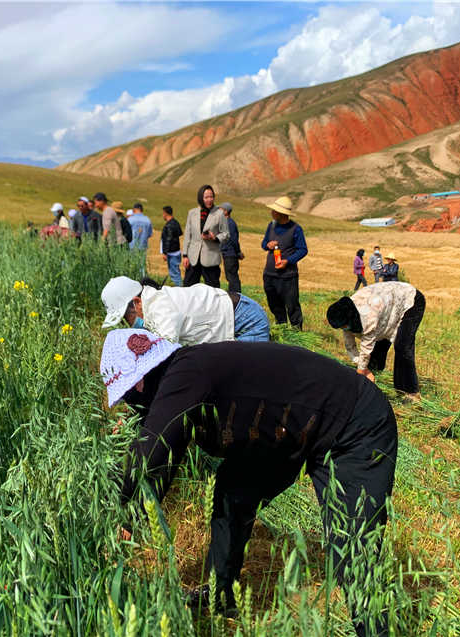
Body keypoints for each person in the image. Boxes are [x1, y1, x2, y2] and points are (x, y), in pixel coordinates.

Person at [100, 329, 396, 637]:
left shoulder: (186, 374)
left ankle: (374, 632)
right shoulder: (184, 379)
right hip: (287, 430)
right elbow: (164, 459)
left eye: (126, 396)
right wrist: (131, 520)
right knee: (233, 493)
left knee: (352, 546)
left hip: (355, 424)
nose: (129, 406)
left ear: (140, 380)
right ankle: (221, 595)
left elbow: (148, 453)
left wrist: (98, 497)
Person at [326, 281, 425, 399]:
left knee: (402, 346)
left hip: (410, 300)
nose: (344, 329)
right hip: (387, 305)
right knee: (378, 343)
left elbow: (366, 347)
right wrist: (362, 366)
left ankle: (410, 392)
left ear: (352, 318)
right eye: (341, 328)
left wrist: (361, 374)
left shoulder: (368, 317)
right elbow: (349, 345)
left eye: (344, 326)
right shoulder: (346, 312)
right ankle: (375, 371)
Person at [101, 276, 269, 344]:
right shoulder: (150, 306)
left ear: (136, 302)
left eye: (126, 318)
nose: (128, 324)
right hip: (229, 319)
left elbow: (164, 354)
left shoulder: (162, 308)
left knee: (245, 379)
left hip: (246, 319)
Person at [261, 196, 307, 329]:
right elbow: (264, 244)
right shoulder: (271, 225)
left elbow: (303, 250)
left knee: (292, 305)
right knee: (274, 305)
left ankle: (297, 333)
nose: (271, 212)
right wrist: (267, 245)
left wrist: (288, 261)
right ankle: (281, 329)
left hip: (288, 276)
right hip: (269, 274)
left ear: (281, 213)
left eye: (274, 210)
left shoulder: (295, 229)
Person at [182, 184, 229, 288]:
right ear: (201, 198)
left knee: (213, 289)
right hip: (193, 258)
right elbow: (187, 236)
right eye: (206, 197)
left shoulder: (219, 213)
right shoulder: (192, 213)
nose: (209, 200)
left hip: (210, 258)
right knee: (188, 288)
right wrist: (185, 255)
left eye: (211, 197)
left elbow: (226, 234)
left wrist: (215, 238)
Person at [219, 202, 244, 293]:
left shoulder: (230, 223)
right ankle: (233, 294)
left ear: (226, 212)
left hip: (231, 254)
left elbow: (234, 240)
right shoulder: (225, 222)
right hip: (227, 253)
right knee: (230, 276)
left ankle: (236, 295)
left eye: (221, 209)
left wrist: (238, 252)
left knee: (232, 276)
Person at [160, 206, 183, 286]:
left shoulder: (168, 225)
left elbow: (168, 240)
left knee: (174, 274)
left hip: (171, 253)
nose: (162, 215)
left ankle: (180, 290)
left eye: (163, 213)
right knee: (176, 272)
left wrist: (165, 252)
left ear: (165, 213)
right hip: (177, 251)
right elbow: (180, 233)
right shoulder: (176, 222)